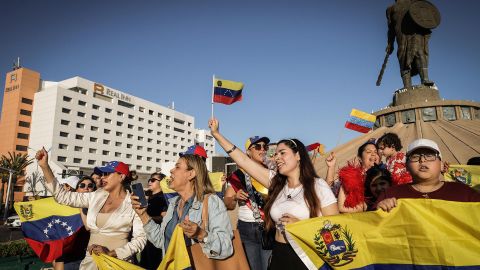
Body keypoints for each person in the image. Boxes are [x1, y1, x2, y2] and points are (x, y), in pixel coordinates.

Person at [209, 118, 338, 270]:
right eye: (275, 154)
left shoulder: (318, 186)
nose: (277, 158)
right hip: (278, 255)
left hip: (306, 259)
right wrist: (217, 135)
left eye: (282, 153)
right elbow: (243, 161)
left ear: (298, 156)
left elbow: (335, 228)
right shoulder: (276, 183)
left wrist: (301, 226)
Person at [36, 148, 146, 270]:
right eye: (102, 174)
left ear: (121, 176)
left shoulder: (134, 202)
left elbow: (140, 239)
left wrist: (112, 253)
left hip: (117, 263)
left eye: (107, 174)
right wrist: (45, 166)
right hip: (91, 262)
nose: (102, 178)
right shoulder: (95, 196)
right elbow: (63, 196)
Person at [131, 147, 233, 261]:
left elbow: (226, 247)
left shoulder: (212, 202)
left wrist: (201, 234)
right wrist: (143, 215)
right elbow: (161, 241)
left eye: (177, 167)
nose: (171, 171)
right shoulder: (173, 203)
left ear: (191, 174)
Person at [376, 139, 480, 212]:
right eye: (415, 156)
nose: (422, 160)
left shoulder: (465, 193)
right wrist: (379, 212)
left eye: (429, 155)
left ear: (441, 164)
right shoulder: (389, 194)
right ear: (406, 165)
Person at [224, 136, 271, 270]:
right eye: (257, 147)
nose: (262, 150)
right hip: (246, 228)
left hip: (268, 226)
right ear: (248, 152)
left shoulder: (271, 172)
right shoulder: (237, 176)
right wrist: (235, 197)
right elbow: (228, 204)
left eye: (265, 147)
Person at [386, 0, 436, 88]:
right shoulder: (390, 9)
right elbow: (391, 29)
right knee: (403, 59)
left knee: (420, 53)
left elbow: (423, 14)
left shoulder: (415, 2)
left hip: (415, 33)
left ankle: (425, 79)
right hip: (401, 36)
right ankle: (407, 86)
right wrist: (390, 43)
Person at [53, 176, 96, 270]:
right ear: (77, 190)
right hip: (68, 258)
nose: (86, 188)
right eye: (82, 185)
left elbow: (89, 228)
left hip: (90, 258)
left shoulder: (98, 209)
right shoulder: (66, 208)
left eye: (90, 185)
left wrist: (81, 207)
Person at [336, 139, 380, 213]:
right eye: (368, 152)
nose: (373, 154)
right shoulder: (350, 176)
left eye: (375, 152)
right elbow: (341, 207)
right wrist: (364, 208)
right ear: (360, 158)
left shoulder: (385, 175)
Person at [139, 172, 168, 270]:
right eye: (149, 180)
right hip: (144, 236)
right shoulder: (148, 197)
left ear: (162, 182)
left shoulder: (164, 198)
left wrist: (148, 218)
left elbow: (164, 217)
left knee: (154, 264)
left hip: (156, 236)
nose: (149, 182)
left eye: (153, 180)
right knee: (143, 264)